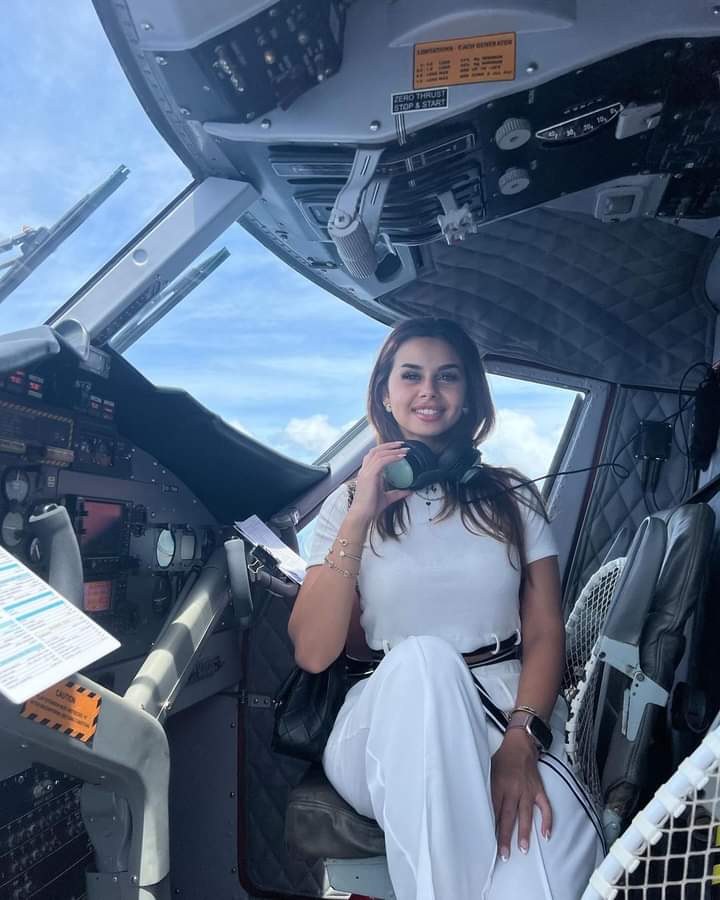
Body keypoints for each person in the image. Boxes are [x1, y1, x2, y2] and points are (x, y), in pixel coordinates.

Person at [288, 316, 605, 900]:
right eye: (411, 376)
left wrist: (522, 739)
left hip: (506, 714)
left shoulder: (512, 497)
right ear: (385, 393)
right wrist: (362, 515)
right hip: (384, 720)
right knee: (427, 661)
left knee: (549, 877)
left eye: (447, 377)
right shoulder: (349, 505)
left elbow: (543, 632)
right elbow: (312, 651)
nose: (428, 391)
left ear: (469, 397)